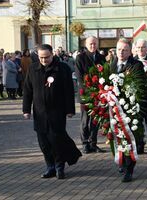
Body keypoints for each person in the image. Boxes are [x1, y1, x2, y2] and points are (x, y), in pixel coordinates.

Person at [23, 44, 82, 179]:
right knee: (43, 143)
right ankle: (50, 166)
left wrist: (70, 110)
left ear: (52, 55)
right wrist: (26, 109)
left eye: (47, 57)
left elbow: (68, 91)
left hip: (57, 112)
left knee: (56, 140)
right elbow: (27, 90)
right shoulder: (33, 69)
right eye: (41, 57)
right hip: (40, 113)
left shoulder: (62, 68)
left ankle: (59, 166)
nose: (44, 60)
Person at [110, 38, 146, 182]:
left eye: (124, 50)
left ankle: (129, 168)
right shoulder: (112, 64)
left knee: (130, 137)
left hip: (130, 109)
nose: (121, 52)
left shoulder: (136, 65)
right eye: (119, 49)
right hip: (114, 108)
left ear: (130, 51)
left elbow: (139, 85)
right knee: (118, 136)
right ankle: (123, 162)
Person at [75, 36, 106, 154]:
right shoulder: (80, 57)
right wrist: (90, 90)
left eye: (94, 44)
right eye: (90, 44)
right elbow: (79, 76)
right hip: (86, 94)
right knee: (85, 120)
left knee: (96, 120)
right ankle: (85, 143)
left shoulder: (101, 57)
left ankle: (93, 143)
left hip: (98, 94)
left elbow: (104, 74)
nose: (93, 46)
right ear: (86, 45)